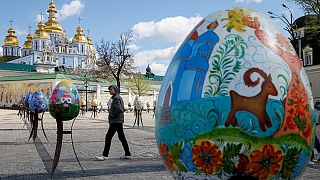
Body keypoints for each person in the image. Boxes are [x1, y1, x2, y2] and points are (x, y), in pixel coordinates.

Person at [95, 85, 131, 160]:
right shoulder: (116, 97)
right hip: (118, 121)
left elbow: (120, 109)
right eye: (109, 89)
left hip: (116, 121)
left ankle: (105, 155)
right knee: (121, 137)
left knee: (108, 137)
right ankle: (127, 153)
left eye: (111, 89)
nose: (110, 91)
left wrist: (112, 115)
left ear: (115, 90)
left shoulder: (116, 98)